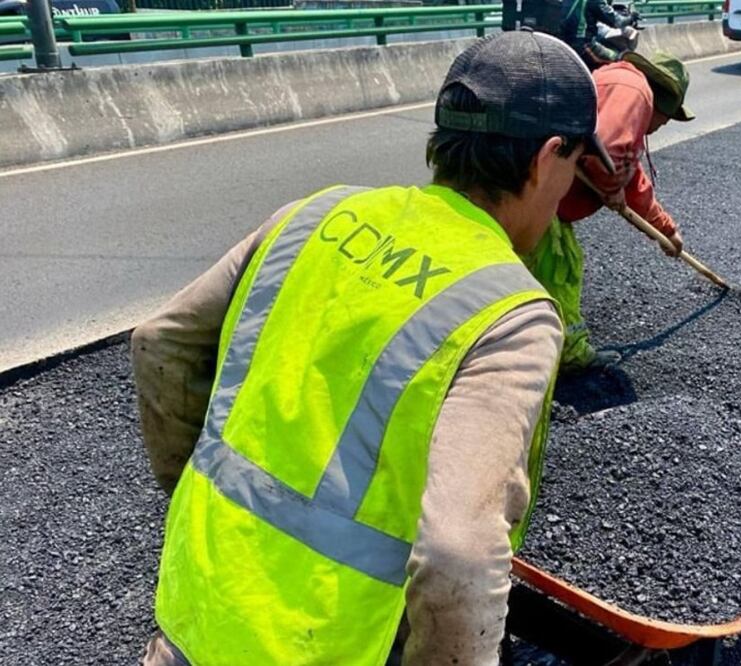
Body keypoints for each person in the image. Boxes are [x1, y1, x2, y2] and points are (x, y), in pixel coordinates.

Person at [132, 30, 614, 666]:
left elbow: (160, 343)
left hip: (197, 604)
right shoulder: (509, 313)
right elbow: (458, 556)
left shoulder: (315, 215)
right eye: (574, 168)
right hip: (327, 645)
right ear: (548, 157)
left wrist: (194, 493)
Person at [524, 50, 694, 372]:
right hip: (538, 194)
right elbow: (611, 152)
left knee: (531, 271)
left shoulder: (616, 83)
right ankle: (569, 354)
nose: (662, 126)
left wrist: (666, 230)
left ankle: (522, 338)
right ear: (665, 103)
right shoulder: (635, 91)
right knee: (561, 271)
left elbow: (631, 179)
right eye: (668, 119)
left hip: (541, 194)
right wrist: (610, 183)